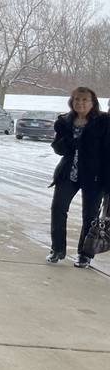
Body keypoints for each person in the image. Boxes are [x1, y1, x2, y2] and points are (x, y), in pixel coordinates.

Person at [47, 86, 108, 268]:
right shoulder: (65, 122)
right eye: (76, 99)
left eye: (84, 100)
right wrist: (69, 140)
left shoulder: (103, 122)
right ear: (71, 102)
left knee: (90, 215)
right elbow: (58, 148)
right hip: (68, 174)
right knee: (58, 209)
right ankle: (57, 249)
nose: (80, 103)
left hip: (94, 176)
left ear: (93, 102)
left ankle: (85, 254)